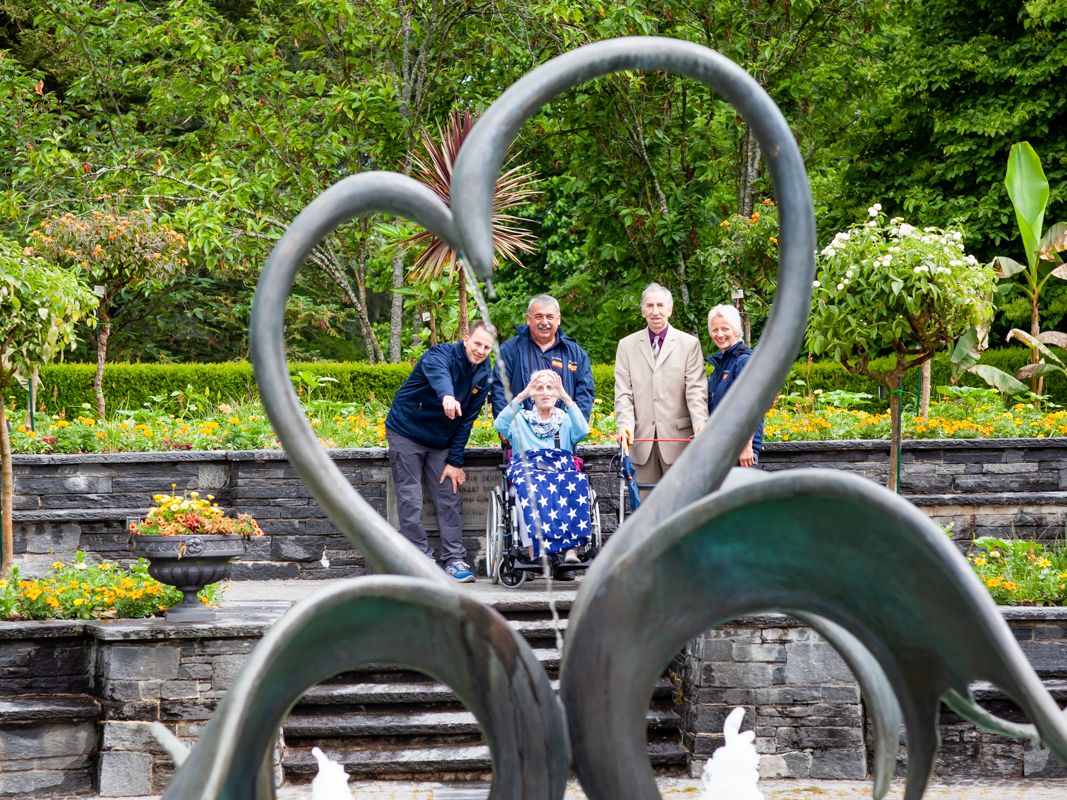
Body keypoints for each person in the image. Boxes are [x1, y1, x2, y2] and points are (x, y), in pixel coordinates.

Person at [384, 321, 495, 582]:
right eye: (477, 343)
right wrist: (447, 395)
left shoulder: (484, 373)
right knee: (410, 498)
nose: (480, 350)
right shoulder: (439, 355)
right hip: (406, 431)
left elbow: (467, 419)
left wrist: (455, 460)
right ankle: (420, 559)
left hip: (441, 440)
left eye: (487, 347)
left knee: (449, 495)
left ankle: (454, 559)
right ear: (466, 338)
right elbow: (440, 376)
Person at [614, 283, 709, 492]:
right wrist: (625, 426)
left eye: (660, 305)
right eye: (649, 306)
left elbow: (696, 391)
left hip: (678, 442)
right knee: (646, 509)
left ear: (670, 309)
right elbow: (623, 393)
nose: (655, 311)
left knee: (680, 505)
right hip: (640, 442)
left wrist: (701, 424)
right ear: (643, 311)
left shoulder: (689, 344)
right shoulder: (626, 345)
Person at [494, 370, 591, 570]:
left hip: (560, 467)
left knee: (576, 481)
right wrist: (522, 395)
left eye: (550, 388)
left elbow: (583, 431)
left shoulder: (564, 419)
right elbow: (499, 424)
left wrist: (565, 395)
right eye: (539, 388)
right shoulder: (520, 419)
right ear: (532, 394)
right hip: (529, 468)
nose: (545, 393)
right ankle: (535, 551)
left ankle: (570, 550)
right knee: (530, 486)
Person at [490, 294, 595, 422]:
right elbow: (499, 390)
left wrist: (576, 428)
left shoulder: (576, 354)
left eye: (550, 317)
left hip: (562, 436)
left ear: (558, 319)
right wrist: (505, 428)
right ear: (528, 319)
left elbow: (585, 393)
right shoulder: (509, 350)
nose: (544, 322)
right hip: (520, 435)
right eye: (539, 316)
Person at [707, 304, 764, 467]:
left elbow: (753, 406)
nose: (719, 334)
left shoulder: (745, 361)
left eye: (725, 329)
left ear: (736, 329)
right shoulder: (723, 362)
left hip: (739, 452)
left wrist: (746, 447)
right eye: (715, 330)